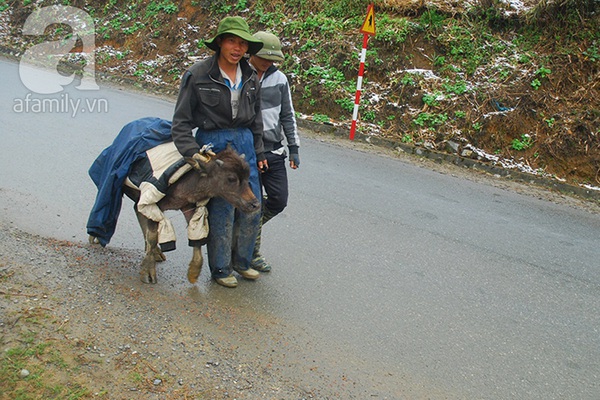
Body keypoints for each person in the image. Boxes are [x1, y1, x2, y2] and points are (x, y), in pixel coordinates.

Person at [171, 16, 268, 288]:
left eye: (242, 43)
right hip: (214, 144)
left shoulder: (250, 76)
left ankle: (243, 262)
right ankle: (221, 268)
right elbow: (180, 124)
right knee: (222, 210)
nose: (237, 48)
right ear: (220, 43)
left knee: (251, 205)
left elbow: (256, 120)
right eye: (231, 41)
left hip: (245, 143)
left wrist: (259, 152)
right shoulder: (198, 75)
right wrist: (196, 156)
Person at [248, 31, 300, 272]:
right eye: (263, 58)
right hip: (248, 151)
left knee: (278, 200)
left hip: (274, 152)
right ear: (252, 53)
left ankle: (248, 229)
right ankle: (251, 253)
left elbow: (287, 115)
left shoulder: (280, 80)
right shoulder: (240, 75)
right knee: (254, 203)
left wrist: (294, 148)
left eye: (272, 59)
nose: (267, 63)